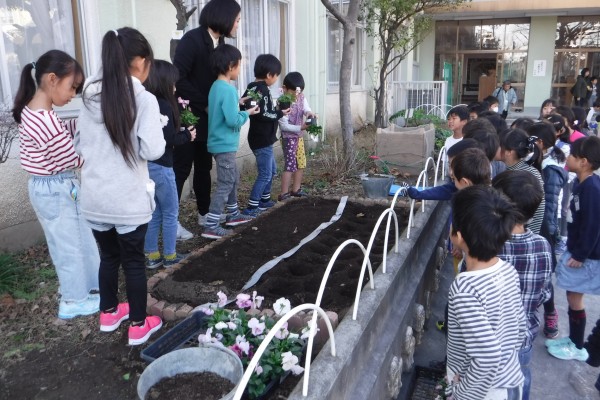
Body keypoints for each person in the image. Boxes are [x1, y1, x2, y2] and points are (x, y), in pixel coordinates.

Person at [76, 28, 166, 345]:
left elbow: (80, 144)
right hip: (127, 200)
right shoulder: (143, 99)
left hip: (94, 198)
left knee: (109, 258)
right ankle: (139, 325)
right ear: (140, 60)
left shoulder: (87, 95)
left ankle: (109, 312)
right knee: (133, 262)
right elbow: (153, 150)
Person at [11, 50, 100, 320]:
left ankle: (86, 288)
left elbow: (62, 134)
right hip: (57, 187)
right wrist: (97, 151)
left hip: (48, 187)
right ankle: (74, 300)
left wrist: (81, 124)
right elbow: (71, 158)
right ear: (52, 79)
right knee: (70, 245)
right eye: (72, 87)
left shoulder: (35, 110)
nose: (73, 94)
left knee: (71, 240)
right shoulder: (44, 120)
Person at [446, 185, 526, 400]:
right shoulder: (507, 270)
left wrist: (461, 394)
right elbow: (520, 329)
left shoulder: (465, 288)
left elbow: (488, 357)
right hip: (510, 383)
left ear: (459, 236)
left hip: (484, 392)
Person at [172, 0, 242, 235]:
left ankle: (204, 214)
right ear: (224, 16)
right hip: (188, 116)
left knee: (204, 167)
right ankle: (171, 223)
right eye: (237, 19)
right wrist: (207, 104)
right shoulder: (192, 40)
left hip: (209, 119)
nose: (238, 25)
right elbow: (178, 79)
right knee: (181, 169)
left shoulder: (220, 42)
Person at [492, 170, 553, 400]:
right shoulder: (543, 246)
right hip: (523, 336)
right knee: (520, 379)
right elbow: (545, 293)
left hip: (491, 340)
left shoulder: (490, 246)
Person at [547, 136, 600, 362]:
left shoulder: (592, 189)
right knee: (571, 295)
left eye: (572, 155)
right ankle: (573, 341)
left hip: (586, 256)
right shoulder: (581, 182)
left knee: (575, 298)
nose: (567, 157)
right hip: (577, 249)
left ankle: (577, 346)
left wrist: (580, 255)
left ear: (584, 161)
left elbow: (593, 226)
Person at [201, 44, 260, 240]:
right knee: (226, 182)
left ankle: (233, 214)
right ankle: (211, 224)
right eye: (239, 65)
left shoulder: (215, 87)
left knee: (232, 177)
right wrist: (247, 113)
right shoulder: (228, 90)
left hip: (219, 143)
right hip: (224, 144)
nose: (240, 69)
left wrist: (238, 103)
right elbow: (233, 120)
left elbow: (217, 109)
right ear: (230, 65)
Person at [143, 60, 196, 268]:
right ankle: (170, 255)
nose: (175, 87)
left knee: (154, 212)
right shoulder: (163, 105)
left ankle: (152, 256)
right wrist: (187, 135)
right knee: (171, 211)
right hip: (163, 167)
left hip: (147, 166)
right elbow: (167, 140)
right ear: (164, 82)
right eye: (173, 83)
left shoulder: (147, 104)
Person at [528, 121, 568, 341]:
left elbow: (549, 207)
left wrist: (548, 234)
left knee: (544, 277)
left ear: (540, 143)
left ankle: (551, 313)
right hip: (534, 225)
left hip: (543, 230)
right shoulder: (539, 162)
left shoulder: (550, 170)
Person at [241, 54, 289, 217]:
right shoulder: (262, 89)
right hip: (262, 139)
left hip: (258, 137)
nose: (276, 79)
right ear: (269, 75)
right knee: (266, 173)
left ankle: (264, 200)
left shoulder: (251, 87)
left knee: (272, 169)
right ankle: (252, 206)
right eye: (276, 76)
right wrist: (279, 113)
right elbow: (264, 114)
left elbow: (245, 106)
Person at [500, 128, 545, 235]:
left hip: (523, 233)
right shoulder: (506, 169)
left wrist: (532, 234)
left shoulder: (529, 174)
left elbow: (539, 209)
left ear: (509, 152)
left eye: (500, 145)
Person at [278, 71, 315, 200]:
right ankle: (284, 193)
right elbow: (284, 125)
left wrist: (310, 114)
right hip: (288, 138)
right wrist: (301, 127)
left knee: (301, 162)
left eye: (298, 92)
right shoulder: (283, 102)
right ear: (284, 88)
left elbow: (306, 108)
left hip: (298, 137)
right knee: (290, 164)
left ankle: (296, 189)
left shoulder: (301, 97)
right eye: (293, 92)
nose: (296, 95)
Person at [441, 105, 468, 172]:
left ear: (464, 121)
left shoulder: (467, 140)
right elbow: (445, 162)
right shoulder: (448, 140)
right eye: (449, 119)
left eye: (454, 118)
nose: (450, 121)